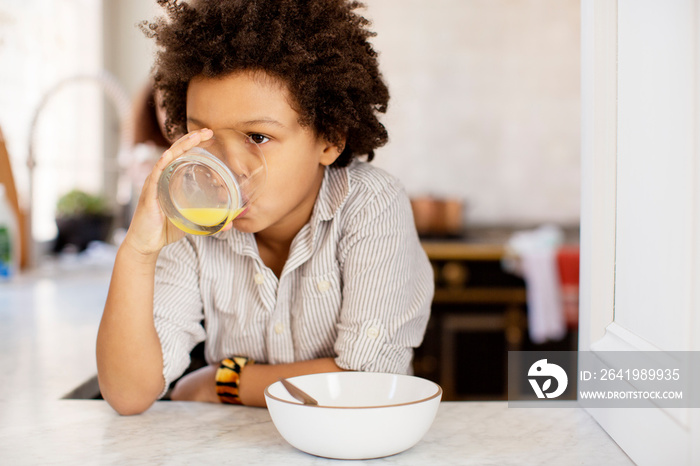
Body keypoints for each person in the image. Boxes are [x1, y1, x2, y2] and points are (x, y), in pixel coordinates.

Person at [96, 0, 434, 415]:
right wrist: (138, 252)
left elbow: (367, 384)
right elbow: (128, 395)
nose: (226, 167)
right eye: (203, 136)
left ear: (330, 139)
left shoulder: (371, 206)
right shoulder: (192, 223)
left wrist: (221, 382)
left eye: (257, 137)